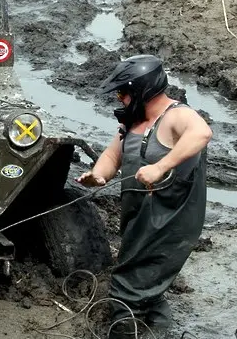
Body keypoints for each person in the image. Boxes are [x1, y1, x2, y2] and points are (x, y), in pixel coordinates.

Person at [76, 54, 212, 337]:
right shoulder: (132, 121)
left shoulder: (177, 115)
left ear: (142, 90)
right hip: (138, 219)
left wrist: (161, 166)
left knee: (127, 289)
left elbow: (201, 133)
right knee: (146, 286)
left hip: (168, 220)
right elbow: (113, 154)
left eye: (123, 92)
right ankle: (159, 331)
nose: (119, 98)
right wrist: (99, 174)